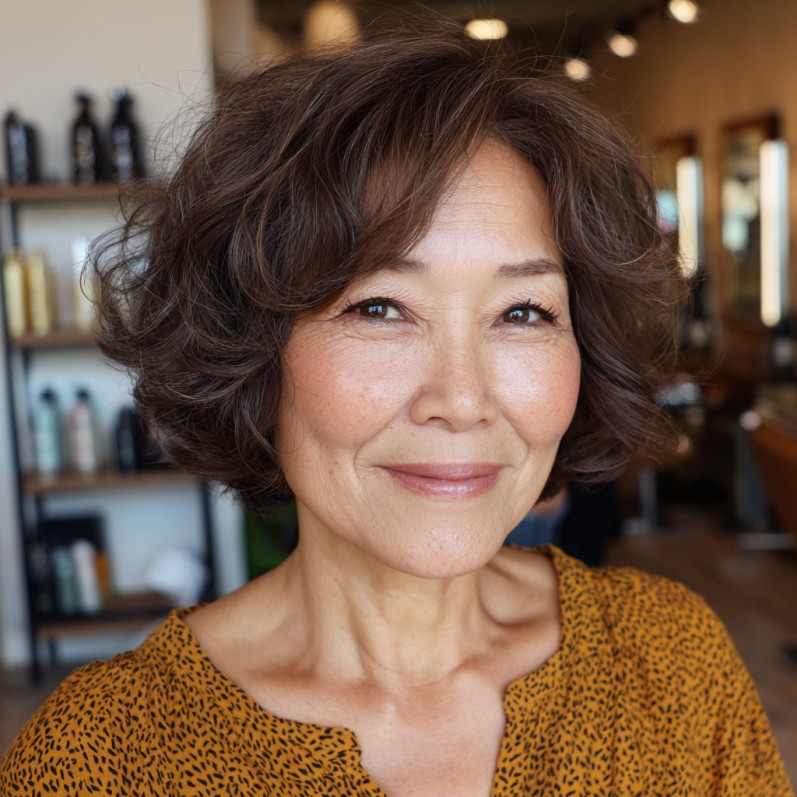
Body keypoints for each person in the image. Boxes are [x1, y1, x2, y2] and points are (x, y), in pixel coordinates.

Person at [1, 23, 793, 797]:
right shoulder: (102, 759)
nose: (461, 399)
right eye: (378, 308)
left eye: (522, 312)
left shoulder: (671, 665)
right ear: (251, 347)